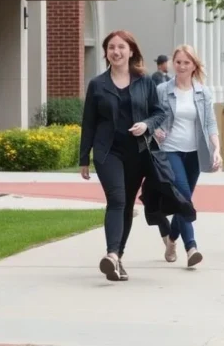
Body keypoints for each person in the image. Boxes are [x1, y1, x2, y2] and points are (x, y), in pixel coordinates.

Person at [79, 30, 168, 281]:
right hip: (108, 152)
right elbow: (89, 123)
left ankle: (117, 257)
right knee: (117, 200)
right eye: (111, 48)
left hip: (137, 153)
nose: (116, 52)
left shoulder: (144, 80)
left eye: (121, 47)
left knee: (127, 205)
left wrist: (147, 125)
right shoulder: (98, 84)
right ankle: (111, 255)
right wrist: (84, 158)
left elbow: (159, 113)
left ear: (131, 51)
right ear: (106, 53)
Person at [153, 45, 222, 268]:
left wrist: (217, 149)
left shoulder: (203, 91)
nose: (181, 66)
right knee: (184, 198)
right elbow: (151, 115)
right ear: (173, 63)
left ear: (194, 65)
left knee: (183, 202)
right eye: (178, 62)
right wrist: (155, 129)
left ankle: (172, 239)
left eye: (186, 63)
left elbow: (210, 122)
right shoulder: (163, 89)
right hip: (170, 151)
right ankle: (191, 247)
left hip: (194, 153)